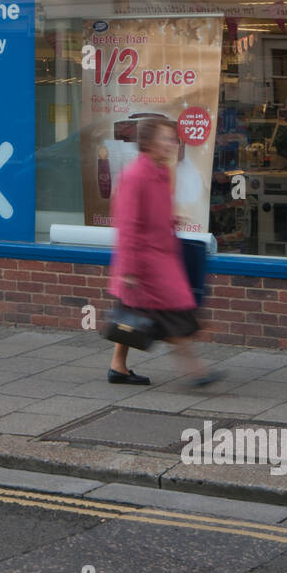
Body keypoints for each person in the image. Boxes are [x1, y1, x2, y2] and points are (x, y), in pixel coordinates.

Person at [106, 115, 221, 386]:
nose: (172, 144)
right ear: (147, 142)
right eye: (165, 138)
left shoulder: (158, 171)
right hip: (147, 263)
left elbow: (151, 213)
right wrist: (131, 271)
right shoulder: (135, 175)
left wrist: (171, 219)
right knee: (173, 317)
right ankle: (197, 372)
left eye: (173, 138)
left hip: (158, 258)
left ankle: (117, 367)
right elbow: (129, 225)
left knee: (134, 316)